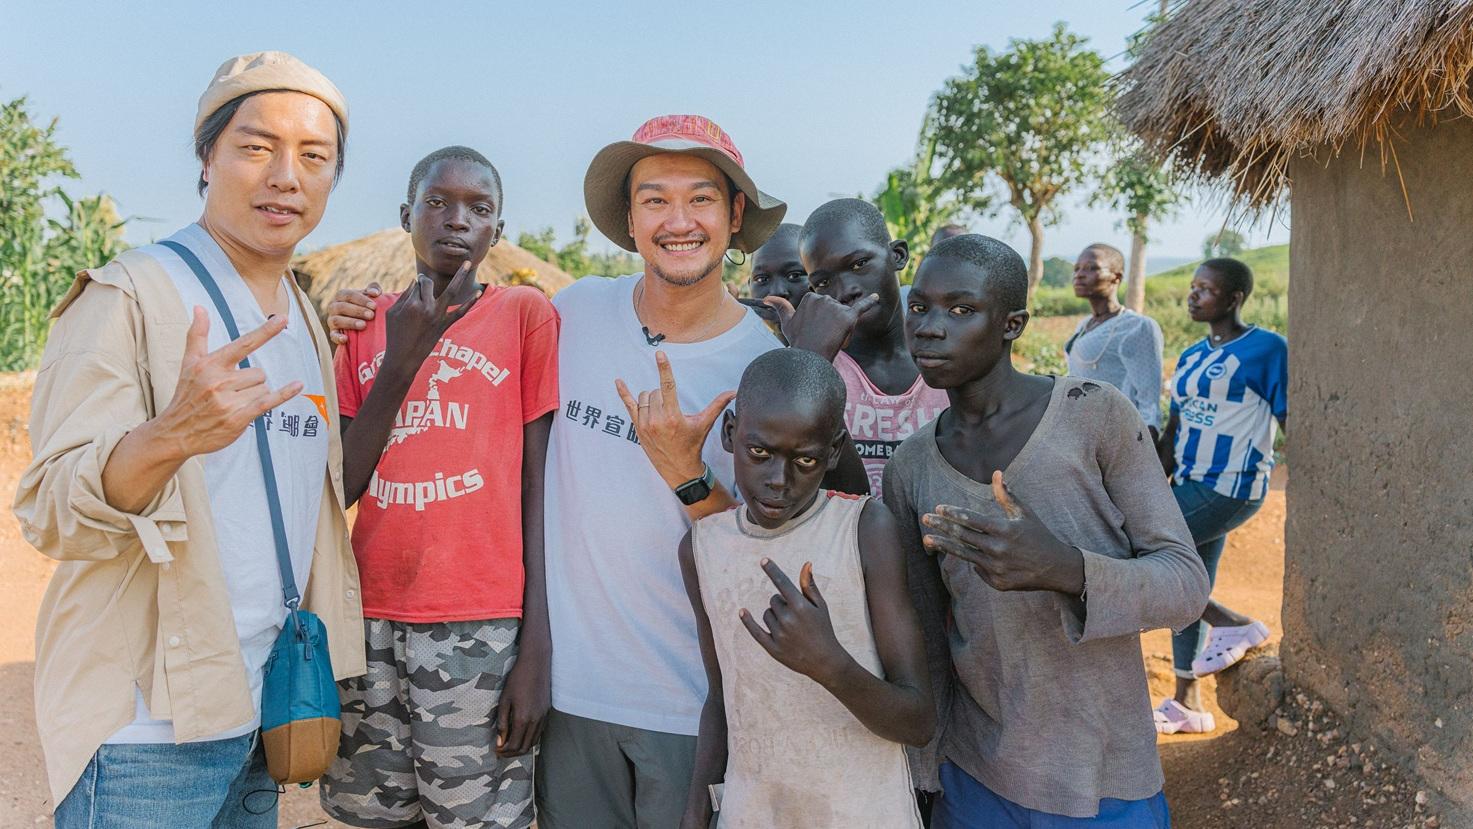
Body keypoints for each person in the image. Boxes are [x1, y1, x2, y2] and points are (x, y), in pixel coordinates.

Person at [13, 52, 364, 828]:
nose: (285, 176)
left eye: (314, 156)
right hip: (146, 726)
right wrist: (169, 437)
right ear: (206, 157)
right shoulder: (130, 294)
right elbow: (50, 512)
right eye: (254, 146)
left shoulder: (302, 317)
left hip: (254, 702)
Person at [886, 234, 1209, 827]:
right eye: (919, 307)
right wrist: (927, 772)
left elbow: (1186, 584)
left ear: (1013, 325)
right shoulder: (912, 467)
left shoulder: (1095, 414)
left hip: (1104, 778)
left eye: (962, 310)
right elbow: (928, 637)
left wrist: (1064, 569)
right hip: (976, 776)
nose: (930, 327)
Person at [319, 147, 557, 829]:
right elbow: (339, 485)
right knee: (374, 814)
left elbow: (537, 486)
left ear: (498, 232)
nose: (456, 219)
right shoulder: (364, 327)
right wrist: (401, 356)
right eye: (437, 202)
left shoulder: (523, 315)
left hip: (481, 623)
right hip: (366, 620)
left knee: (474, 816)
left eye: (478, 208)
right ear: (405, 215)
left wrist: (536, 645)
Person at [678, 348, 932, 828]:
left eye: (806, 459)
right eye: (759, 454)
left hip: (863, 812)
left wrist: (829, 664)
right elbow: (721, 697)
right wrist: (696, 812)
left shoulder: (864, 531)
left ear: (834, 451)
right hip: (758, 810)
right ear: (731, 434)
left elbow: (918, 722)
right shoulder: (702, 548)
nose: (778, 480)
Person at [1153, 257, 1286, 735]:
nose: (1192, 295)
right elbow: (1174, 429)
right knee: (1190, 576)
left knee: (1148, 553)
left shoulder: (1267, 349)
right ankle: (1187, 702)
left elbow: (1291, 414)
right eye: (1191, 287)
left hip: (1232, 484)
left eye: (1204, 289)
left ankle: (1233, 622)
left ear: (1233, 299)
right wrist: (1153, 485)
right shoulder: (1190, 356)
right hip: (1190, 482)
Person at [766, 199, 949, 498]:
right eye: (824, 282)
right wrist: (812, 361)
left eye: (859, 264)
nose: (845, 290)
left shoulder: (945, 361)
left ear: (897, 256)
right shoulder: (815, 370)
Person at [1065, 243, 1165, 435]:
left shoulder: (1137, 326)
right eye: (1077, 269)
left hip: (1114, 432)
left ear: (1116, 277)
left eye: (1091, 268)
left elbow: (1149, 399)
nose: (1079, 274)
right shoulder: (1085, 324)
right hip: (1081, 430)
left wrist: (1145, 443)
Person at [743, 222, 808, 338]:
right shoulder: (746, 352)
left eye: (794, 275)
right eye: (762, 279)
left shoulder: (847, 348)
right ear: (749, 286)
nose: (777, 292)